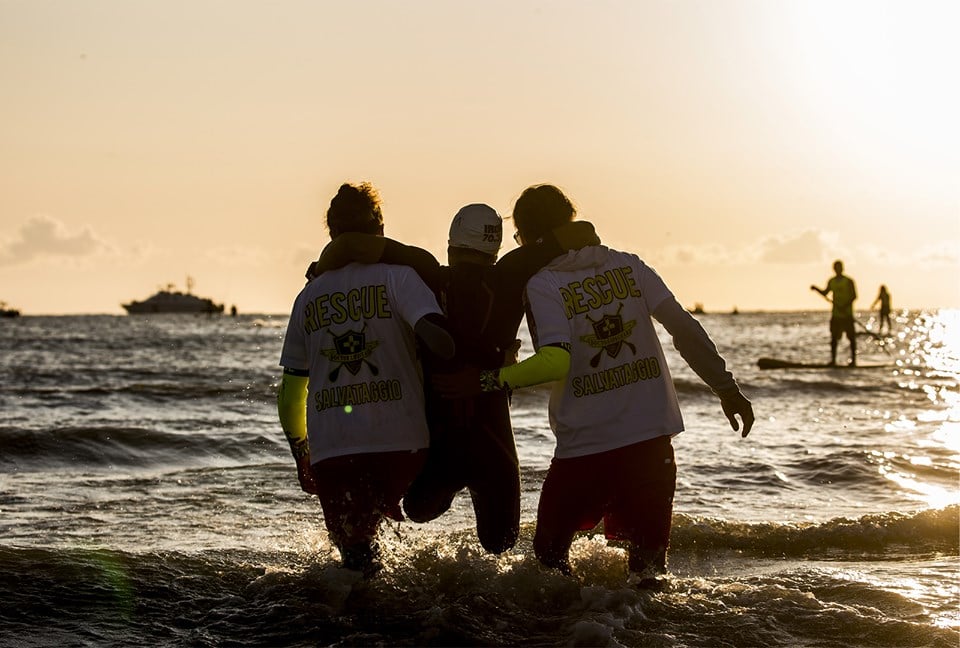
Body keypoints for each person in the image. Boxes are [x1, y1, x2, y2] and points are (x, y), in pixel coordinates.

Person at [435, 184, 754, 585]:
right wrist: (725, 388)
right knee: (649, 573)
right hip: (652, 441)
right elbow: (684, 328)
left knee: (548, 562)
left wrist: (486, 379)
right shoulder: (629, 265)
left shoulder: (542, 284)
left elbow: (555, 360)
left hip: (587, 450)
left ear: (531, 238)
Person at [306, 204, 599, 554]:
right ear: (495, 250)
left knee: (416, 508)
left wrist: (320, 271)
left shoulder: (427, 271)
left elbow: (350, 244)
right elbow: (585, 231)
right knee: (500, 543)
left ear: (450, 245)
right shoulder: (512, 270)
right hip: (493, 437)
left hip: (441, 440)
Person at [277, 182, 455, 576]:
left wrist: (301, 452)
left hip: (333, 449)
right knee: (405, 520)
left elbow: (291, 394)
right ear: (380, 226)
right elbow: (441, 343)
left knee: (356, 559)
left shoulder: (308, 297)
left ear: (331, 233)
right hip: (404, 445)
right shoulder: (400, 278)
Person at [810, 260, 858, 366]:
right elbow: (825, 293)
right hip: (836, 314)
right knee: (834, 338)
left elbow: (854, 296)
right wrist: (816, 289)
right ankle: (833, 360)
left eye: (839, 267)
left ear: (842, 268)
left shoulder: (849, 281)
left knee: (851, 338)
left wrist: (845, 306)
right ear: (834, 269)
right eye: (836, 268)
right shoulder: (831, 281)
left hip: (847, 314)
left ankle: (854, 361)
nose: (837, 270)